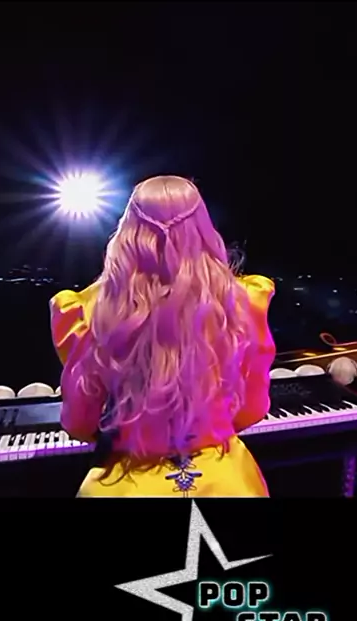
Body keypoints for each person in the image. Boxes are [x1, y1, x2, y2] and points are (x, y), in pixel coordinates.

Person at [50, 175, 275, 497]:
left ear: (129, 229)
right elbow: (253, 408)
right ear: (201, 226)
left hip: (126, 481)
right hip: (226, 479)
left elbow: (79, 424)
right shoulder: (244, 301)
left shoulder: (85, 310)